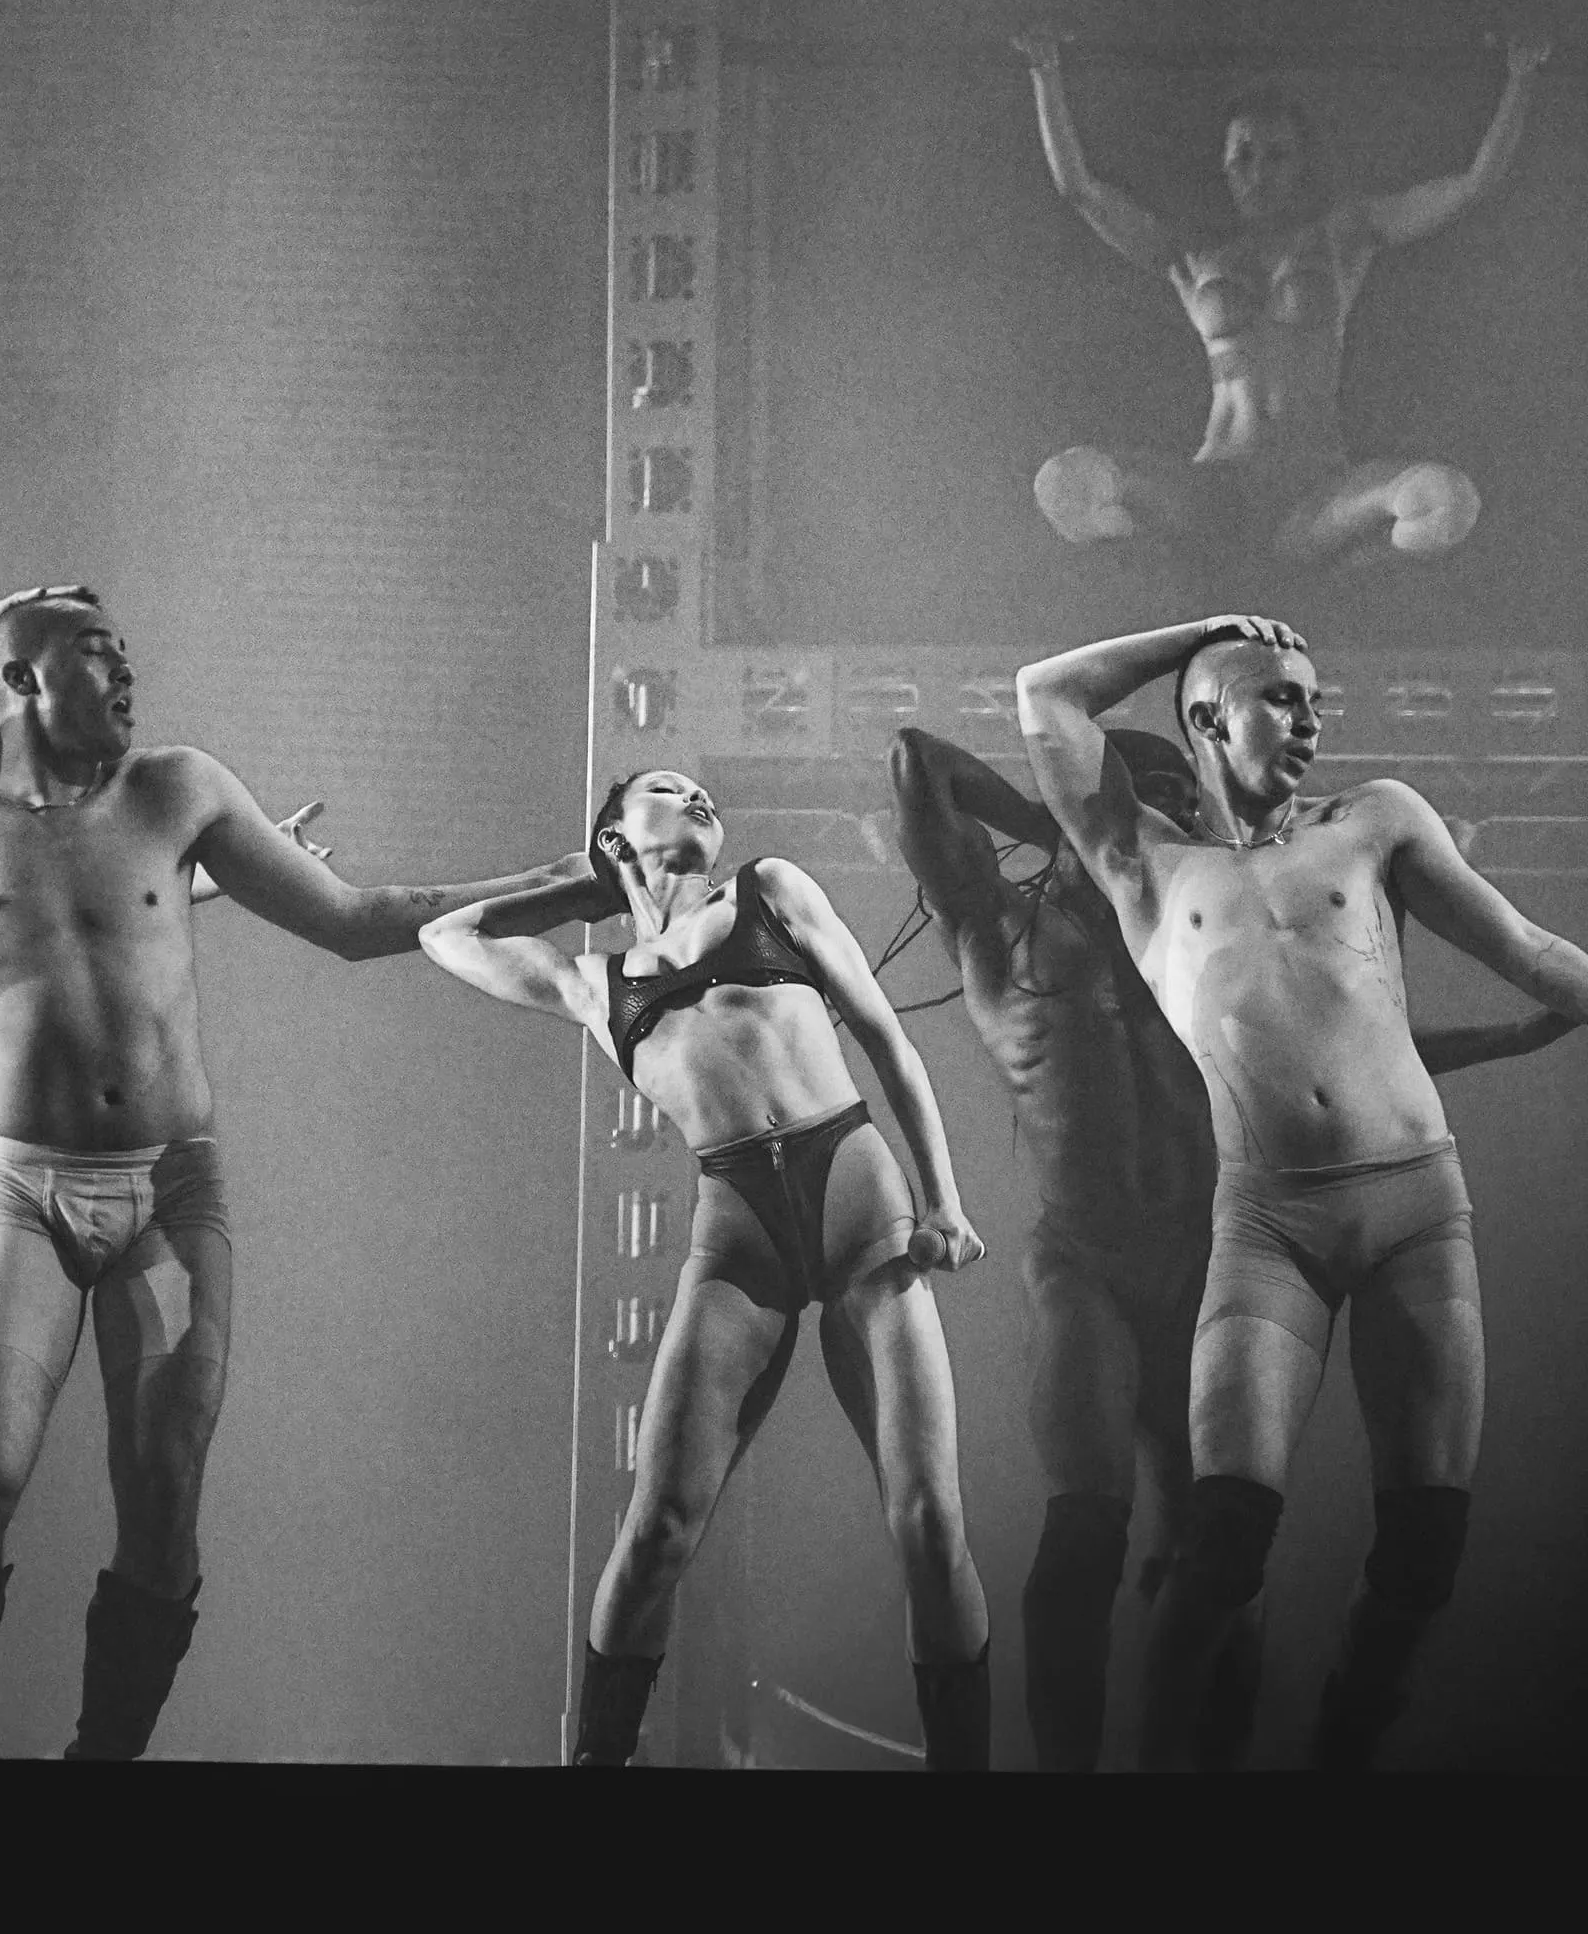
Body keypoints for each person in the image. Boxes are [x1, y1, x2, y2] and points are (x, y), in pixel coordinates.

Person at [0, 584, 580, 1760]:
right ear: (22, 680)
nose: (125, 672)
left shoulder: (176, 789)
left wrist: (564, 880)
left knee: (162, 1503)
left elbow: (360, 920)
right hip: (23, 1194)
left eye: (125, 653)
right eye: (95, 652)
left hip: (170, 1195)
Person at [1016, 611, 1588, 1770]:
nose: (1310, 720)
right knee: (1222, 1540)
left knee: (1423, 1547)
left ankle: (1338, 1763)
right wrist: (1208, 629)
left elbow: (1526, 947)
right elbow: (1042, 696)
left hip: (1415, 1211)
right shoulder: (1144, 868)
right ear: (1205, 717)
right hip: (1267, 1226)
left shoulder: (1372, 820)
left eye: (1314, 700)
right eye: (1279, 696)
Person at [420, 767, 990, 1770]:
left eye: (700, 793)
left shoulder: (769, 891)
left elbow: (885, 1039)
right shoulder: (595, 984)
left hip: (859, 1200)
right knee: (656, 1535)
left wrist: (943, 1199)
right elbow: (445, 935)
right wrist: (584, 878)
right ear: (614, 835)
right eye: (666, 789)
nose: (697, 798)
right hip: (737, 1237)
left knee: (928, 1522)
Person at [886, 720, 1243, 1772]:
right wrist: (1065, 821)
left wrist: (1508, 1036)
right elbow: (916, 759)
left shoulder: (1211, 935)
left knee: (1220, 1550)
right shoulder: (998, 924)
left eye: (1184, 798)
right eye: (1148, 791)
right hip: (1083, 1264)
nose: (1171, 812)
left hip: (1206, 1258)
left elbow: (1348, 1058)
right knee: (1087, 1530)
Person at [1015, 32, 1549, 561]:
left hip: (1319, 489)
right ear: (1224, 164)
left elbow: (1473, 185)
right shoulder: (1192, 257)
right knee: (1065, 482)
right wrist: (1045, 69)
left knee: (1445, 499)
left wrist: (1521, 76)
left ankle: (1350, 557)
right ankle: (1154, 550)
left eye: (1277, 156)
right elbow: (1080, 190)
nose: (1260, 173)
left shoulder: (1344, 238)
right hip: (1214, 486)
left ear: (1300, 164)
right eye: (1244, 156)